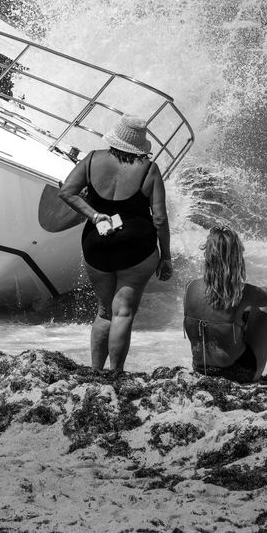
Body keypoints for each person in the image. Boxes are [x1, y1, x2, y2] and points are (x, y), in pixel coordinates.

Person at [59, 113, 172, 372]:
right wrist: (165, 256)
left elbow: (66, 192)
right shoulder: (149, 170)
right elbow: (160, 219)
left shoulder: (91, 160)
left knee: (103, 312)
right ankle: (116, 375)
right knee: (123, 313)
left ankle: (96, 371)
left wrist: (95, 215)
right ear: (140, 145)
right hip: (137, 247)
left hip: (97, 241)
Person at [184, 225, 267, 383]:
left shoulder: (190, 287)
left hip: (201, 369)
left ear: (208, 254)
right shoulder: (243, 292)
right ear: (236, 256)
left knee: (239, 316)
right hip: (237, 372)